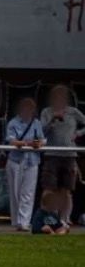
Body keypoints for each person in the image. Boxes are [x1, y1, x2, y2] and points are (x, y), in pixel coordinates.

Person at [39, 85, 85, 233]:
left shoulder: (74, 112)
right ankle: (47, 220)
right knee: (48, 190)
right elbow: (41, 131)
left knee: (66, 190)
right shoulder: (46, 112)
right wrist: (53, 119)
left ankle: (64, 220)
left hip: (69, 155)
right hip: (51, 155)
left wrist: (78, 133)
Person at [4, 96, 44, 232]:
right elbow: (11, 141)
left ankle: (24, 221)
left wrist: (38, 143)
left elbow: (41, 139)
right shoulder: (13, 123)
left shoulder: (36, 123)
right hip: (16, 161)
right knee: (15, 192)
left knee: (28, 192)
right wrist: (27, 143)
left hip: (32, 161)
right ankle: (16, 221)